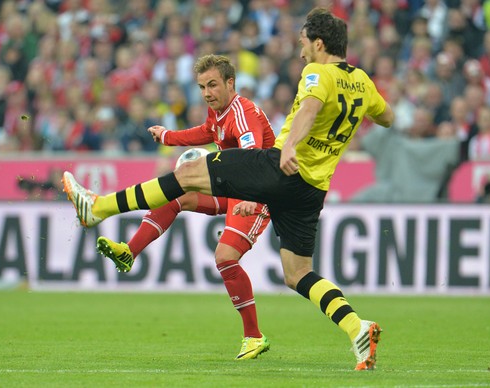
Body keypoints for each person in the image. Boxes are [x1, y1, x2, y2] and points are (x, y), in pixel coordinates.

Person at [63, 8, 394, 371]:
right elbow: (387, 117)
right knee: (297, 273)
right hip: (312, 189)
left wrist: (288, 147)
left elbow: (310, 108)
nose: (301, 53)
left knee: (187, 173)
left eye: (303, 45)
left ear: (318, 43)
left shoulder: (317, 72)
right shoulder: (362, 82)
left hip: (278, 167)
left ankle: (99, 208)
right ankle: (356, 327)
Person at [96, 54, 274, 360]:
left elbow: (254, 158)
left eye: (213, 85)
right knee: (176, 195)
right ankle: (129, 252)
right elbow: (204, 133)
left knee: (225, 258)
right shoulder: (217, 112)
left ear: (231, 83)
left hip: (260, 194)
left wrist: (248, 198)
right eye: (202, 86)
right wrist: (167, 136)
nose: (207, 93)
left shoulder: (243, 114)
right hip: (235, 190)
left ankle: (254, 337)